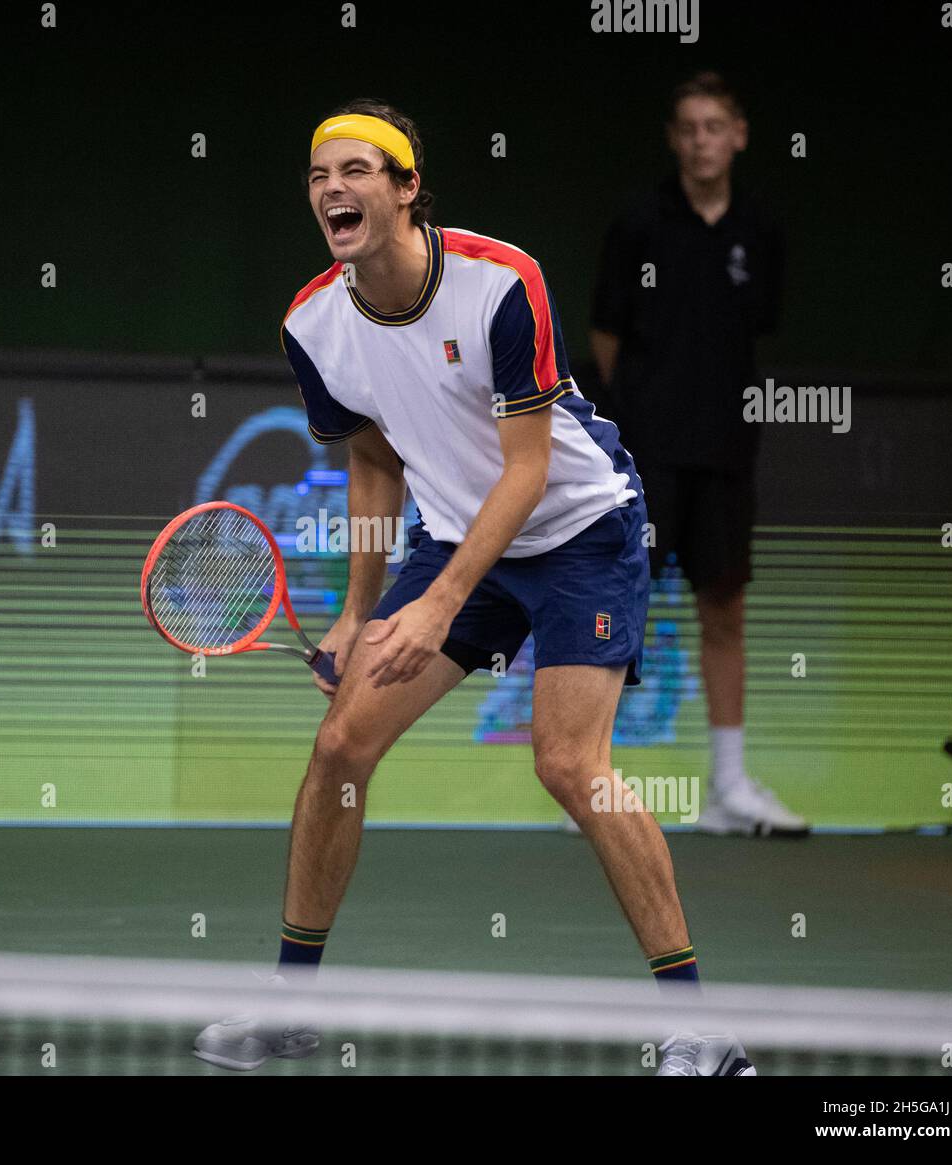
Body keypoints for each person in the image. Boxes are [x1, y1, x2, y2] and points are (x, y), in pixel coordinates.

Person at [193, 99, 752, 1076]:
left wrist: (439, 604)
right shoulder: (313, 323)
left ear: (407, 189)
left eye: (357, 169)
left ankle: (702, 1026)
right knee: (339, 746)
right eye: (320, 176)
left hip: (581, 530)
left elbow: (527, 469)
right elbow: (372, 458)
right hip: (457, 537)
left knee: (567, 763)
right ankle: (286, 1009)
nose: (333, 188)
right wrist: (362, 609)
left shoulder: (500, 282)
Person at [590, 72, 808, 837]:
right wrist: (639, 420)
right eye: (687, 126)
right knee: (617, 610)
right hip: (645, 456)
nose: (701, 140)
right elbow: (606, 334)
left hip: (725, 452)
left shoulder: (761, 229)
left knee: (725, 609)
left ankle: (728, 789)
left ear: (739, 135)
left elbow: (753, 329)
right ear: (674, 138)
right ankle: (592, 782)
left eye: (715, 125)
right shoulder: (640, 222)